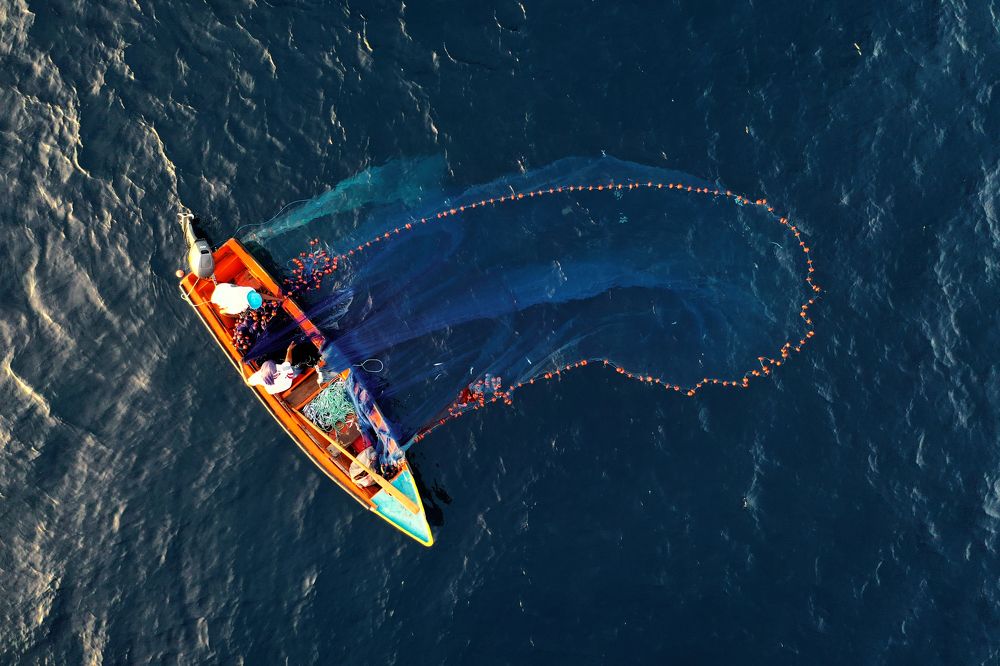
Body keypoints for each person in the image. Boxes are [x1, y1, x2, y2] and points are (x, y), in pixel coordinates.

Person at [210, 282, 281, 316]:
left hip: (222, 288)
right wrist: (223, 310)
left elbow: (261, 295)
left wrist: (278, 299)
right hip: (221, 291)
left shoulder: (246, 291)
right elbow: (222, 311)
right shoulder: (237, 308)